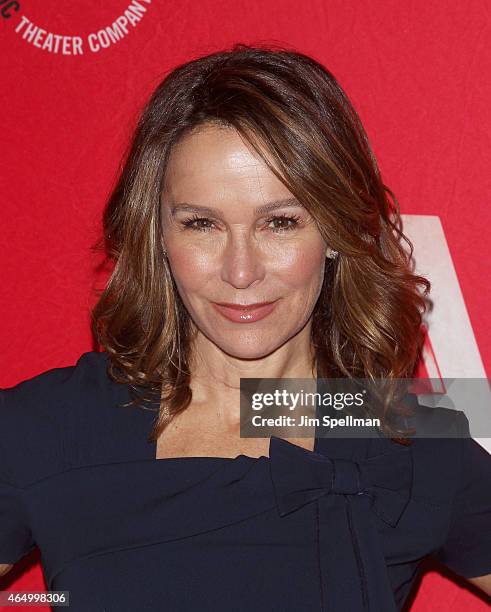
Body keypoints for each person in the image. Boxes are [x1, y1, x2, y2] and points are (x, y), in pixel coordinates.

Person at [1, 44, 490, 611]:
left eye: (279, 222)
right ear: (157, 234)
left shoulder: (397, 430)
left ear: (334, 232)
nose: (241, 272)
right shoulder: (48, 428)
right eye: (202, 224)